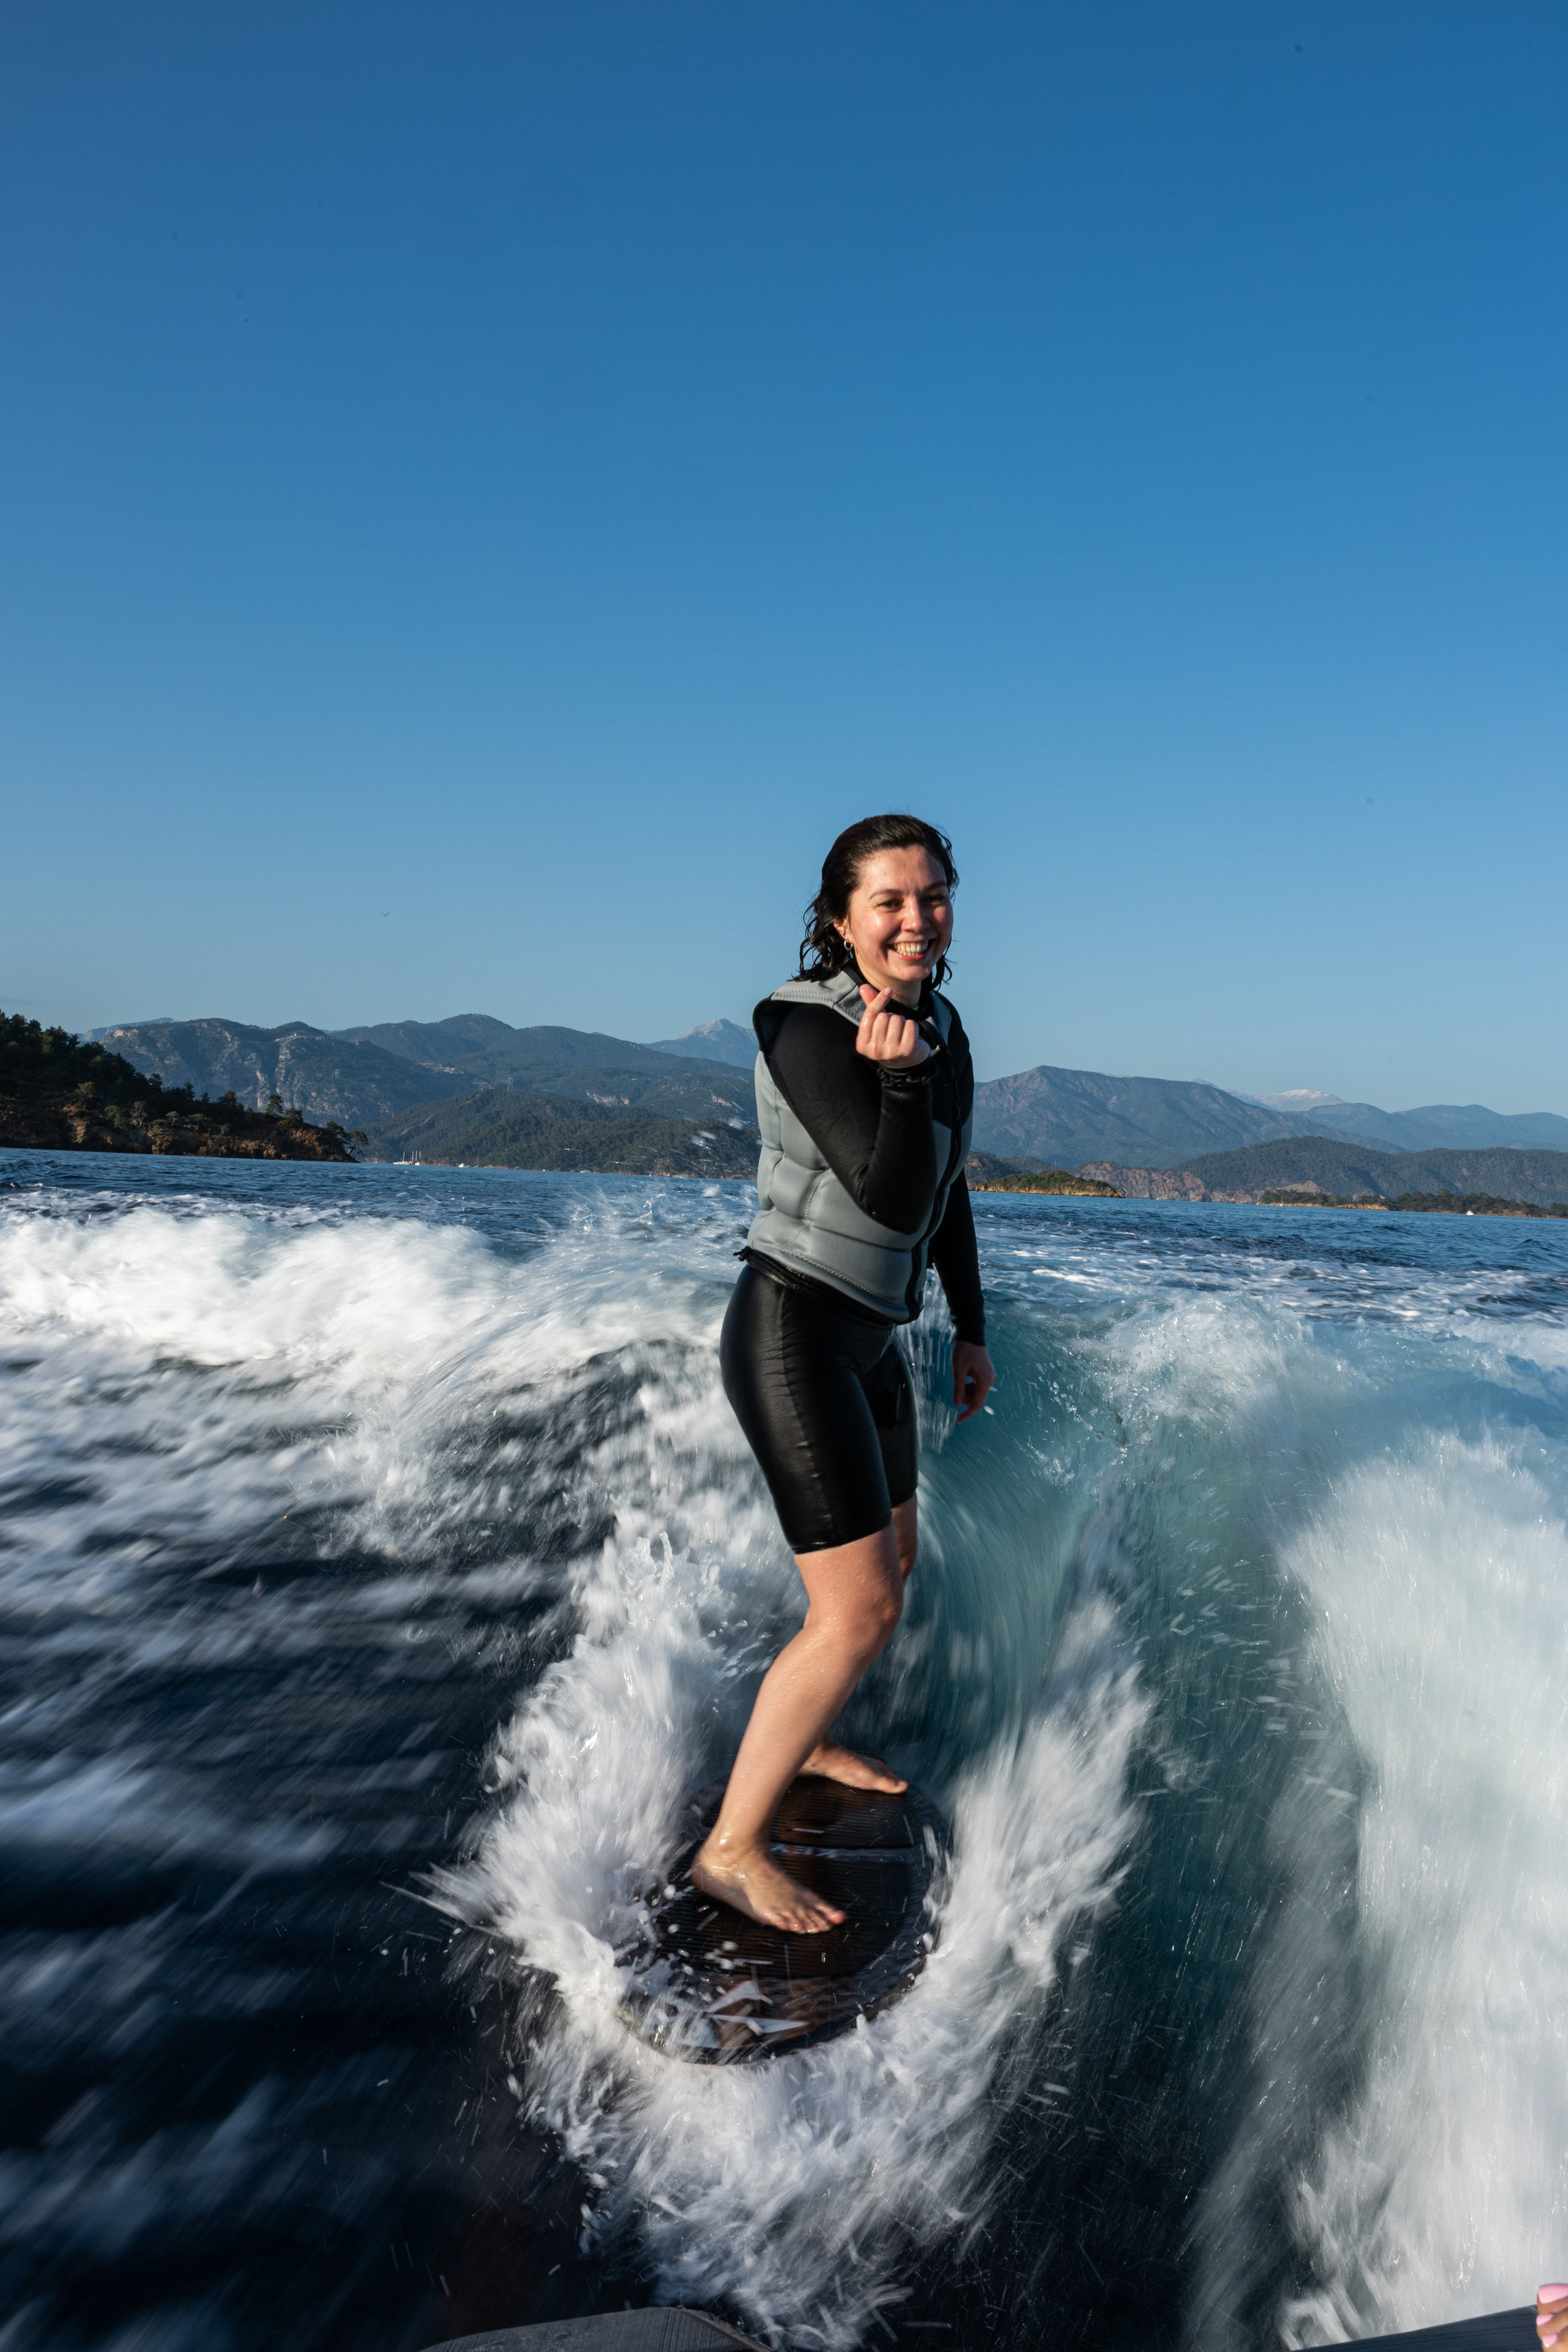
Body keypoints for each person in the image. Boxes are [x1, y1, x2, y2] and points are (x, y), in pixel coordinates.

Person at [692, 813, 996, 1932]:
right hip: (794, 1330)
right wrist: (904, 1083)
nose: (918, 919)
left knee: (890, 1568)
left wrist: (970, 1326)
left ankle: (806, 1735)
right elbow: (884, 1194)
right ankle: (730, 1849)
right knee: (859, 1608)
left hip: (875, 1335)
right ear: (842, 920)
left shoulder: (945, 1027)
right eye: (891, 902)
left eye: (934, 896)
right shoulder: (803, 1025)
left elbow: (950, 1192)